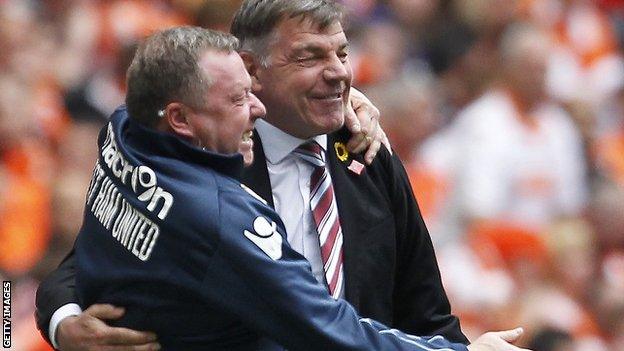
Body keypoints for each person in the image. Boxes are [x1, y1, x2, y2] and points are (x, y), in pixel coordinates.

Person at [36, 1, 530, 350]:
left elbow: (425, 314)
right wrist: (64, 325)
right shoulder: (200, 178)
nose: (338, 73)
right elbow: (78, 263)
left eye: (341, 53)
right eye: (309, 57)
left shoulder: (368, 155)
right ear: (250, 69)